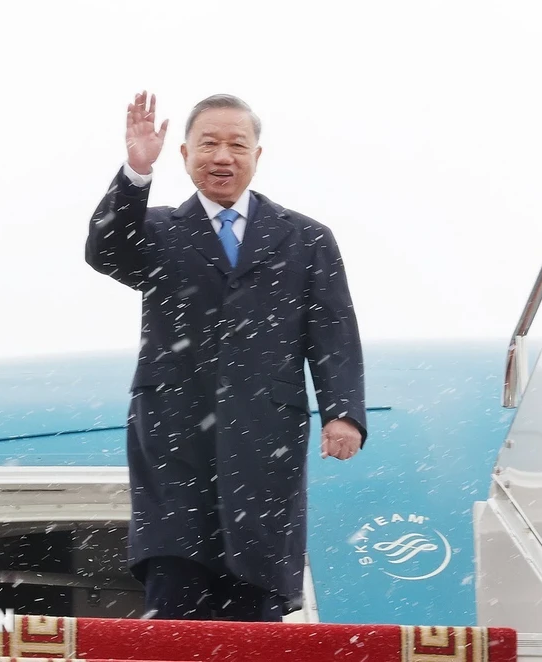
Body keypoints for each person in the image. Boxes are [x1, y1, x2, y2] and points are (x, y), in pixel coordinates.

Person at [85, 91, 367, 622]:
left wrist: (342, 411)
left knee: (255, 599)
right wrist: (135, 172)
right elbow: (107, 252)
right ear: (185, 154)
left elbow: (333, 330)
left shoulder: (306, 239)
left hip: (265, 435)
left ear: (257, 156)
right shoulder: (160, 229)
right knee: (176, 584)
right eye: (208, 143)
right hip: (175, 431)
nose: (222, 156)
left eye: (237, 144)